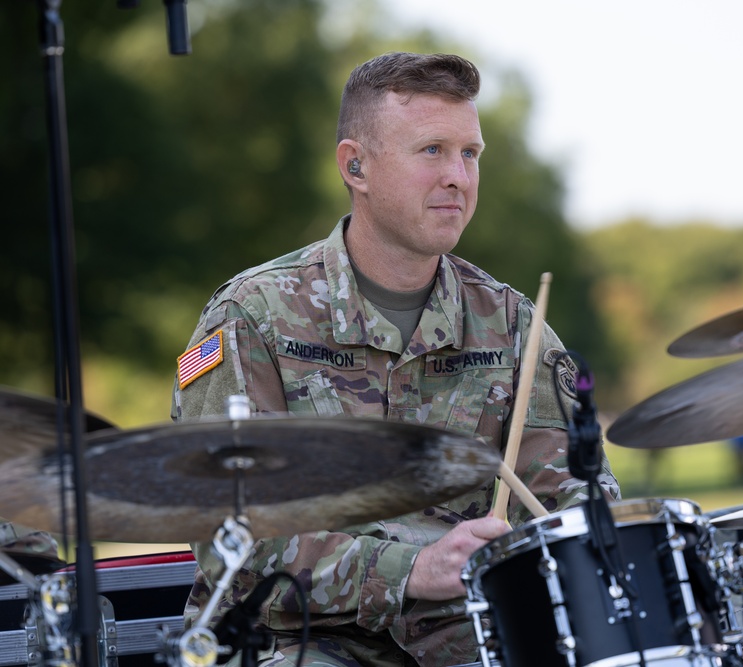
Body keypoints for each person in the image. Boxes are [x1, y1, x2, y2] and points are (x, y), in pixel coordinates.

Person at [171, 52, 620, 667]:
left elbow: (574, 499)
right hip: (293, 640)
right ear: (355, 165)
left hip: (468, 641)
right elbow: (234, 537)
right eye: (432, 150)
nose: (458, 177)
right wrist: (414, 569)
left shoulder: (515, 324)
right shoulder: (254, 316)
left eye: (470, 153)